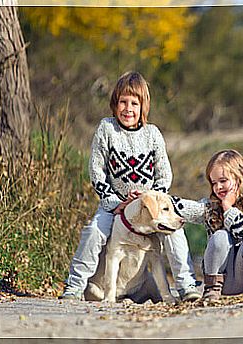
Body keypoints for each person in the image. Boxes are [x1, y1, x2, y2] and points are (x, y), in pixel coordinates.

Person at [60, 71, 200, 301]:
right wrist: (114, 202)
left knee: (174, 232)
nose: (128, 109)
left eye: (134, 103)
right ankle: (75, 286)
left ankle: (186, 285)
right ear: (115, 104)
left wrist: (149, 197)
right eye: (123, 102)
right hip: (114, 203)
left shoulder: (153, 134)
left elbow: (164, 175)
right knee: (95, 231)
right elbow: (96, 170)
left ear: (143, 107)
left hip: (150, 205)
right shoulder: (107, 129)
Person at [170, 149, 243, 302]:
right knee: (220, 236)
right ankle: (212, 290)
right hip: (218, 280)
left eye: (223, 181)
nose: (218, 187)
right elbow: (186, 207)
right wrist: (159, 198)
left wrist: (228, 208)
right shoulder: (210, 207)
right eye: (214, 183)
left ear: (239, 178)